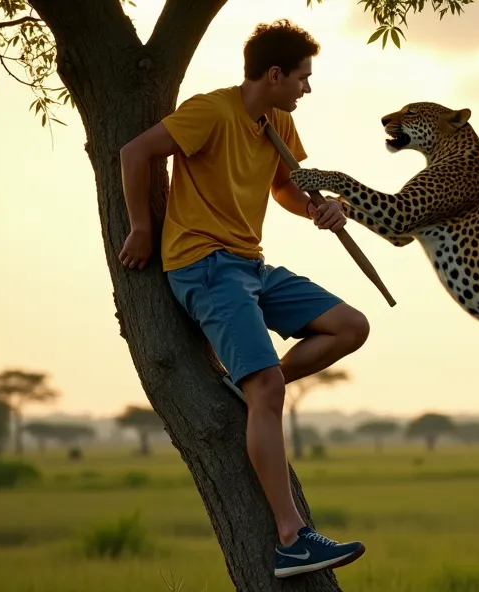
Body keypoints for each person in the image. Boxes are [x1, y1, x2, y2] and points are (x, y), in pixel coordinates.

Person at [116, 19, 368, 579]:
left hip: (251, 265)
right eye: (302, 78)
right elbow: (136, 153)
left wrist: (322, 209)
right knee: (270, 389)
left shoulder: (275, 120)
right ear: (274, 74)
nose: (307, 88)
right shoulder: (213, 111)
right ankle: (291, 539)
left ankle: (251, 385)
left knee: (350, 327)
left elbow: (285, 188)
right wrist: (139, 227)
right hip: (205, 266)